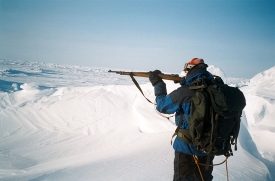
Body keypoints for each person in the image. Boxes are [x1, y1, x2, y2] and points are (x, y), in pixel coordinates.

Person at [148, 58, 215, 181]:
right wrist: (184, 82)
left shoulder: (185, 92)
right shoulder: (216, 88)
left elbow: (162, 106)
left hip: (186, 148)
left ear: (190, 69)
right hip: (210, 147)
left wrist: (158, 84)